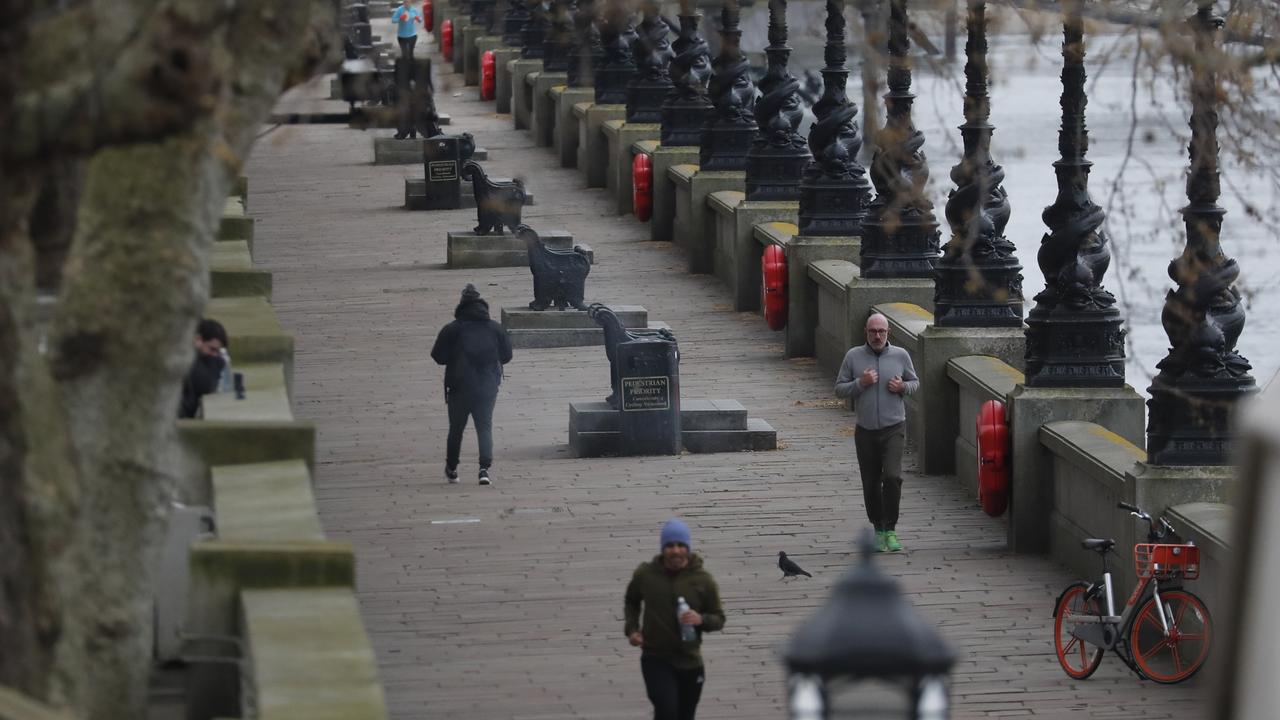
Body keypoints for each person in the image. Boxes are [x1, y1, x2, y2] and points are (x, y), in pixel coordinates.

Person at [834, 313, 919, 553]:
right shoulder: (854, 356)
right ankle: (878, 529)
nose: (877, 336)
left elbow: (915, 383)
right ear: (866, 332)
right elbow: (839, 389)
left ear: (889, 332)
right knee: (870, 482)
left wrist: (902, 386)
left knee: (892, 477)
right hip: (865, 431)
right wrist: (860, 383)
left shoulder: (901, 356)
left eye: (881, 331)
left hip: (894, 427)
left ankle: (891, 529)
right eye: (873, 331)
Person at [624, 518, 725, 720]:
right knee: (667, 709)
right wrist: (632, 629)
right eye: (670, 546)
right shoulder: (646, 575)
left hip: (690, 660)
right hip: (655, 657)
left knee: (685, 715)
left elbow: (719, 619)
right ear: (663, 548)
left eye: (680, 545)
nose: (676, 551)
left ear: (687, 548)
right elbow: (632, 600)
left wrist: (701, 619)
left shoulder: (703, 580)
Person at [430, 284, 513, 485]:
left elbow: (438, 357)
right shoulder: (495, 328)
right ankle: (484, 469)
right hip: (487, 387)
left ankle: (452, 468)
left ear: (461, 305)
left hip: (459, 387)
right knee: (484, 427)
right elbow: (507, 356)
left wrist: (454, 356)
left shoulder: (452, 329)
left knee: (456, 429)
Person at [179, 319, 229, 419]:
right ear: (198, 340)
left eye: (218, 352)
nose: (214, 355)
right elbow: (206, 386)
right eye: (212, 349)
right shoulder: (189, 362)